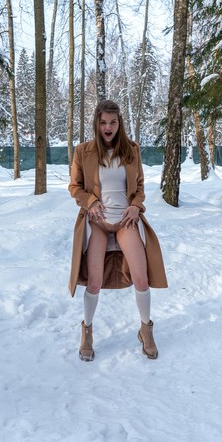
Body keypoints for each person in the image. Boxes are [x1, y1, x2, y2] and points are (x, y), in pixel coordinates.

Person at [69, 100, 167, 361]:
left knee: (141, 277)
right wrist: (90, 202)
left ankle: (146, 330)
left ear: (119, 123)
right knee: (94, 282)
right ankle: (87, 331)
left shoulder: (132, 150)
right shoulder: (83, 151)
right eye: (103, 122)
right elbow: (74, 187)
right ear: (96, 124)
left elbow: (141, 187)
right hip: (98, 222)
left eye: (113, 122)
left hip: (126, 221)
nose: (108, 127)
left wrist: (136, 206)